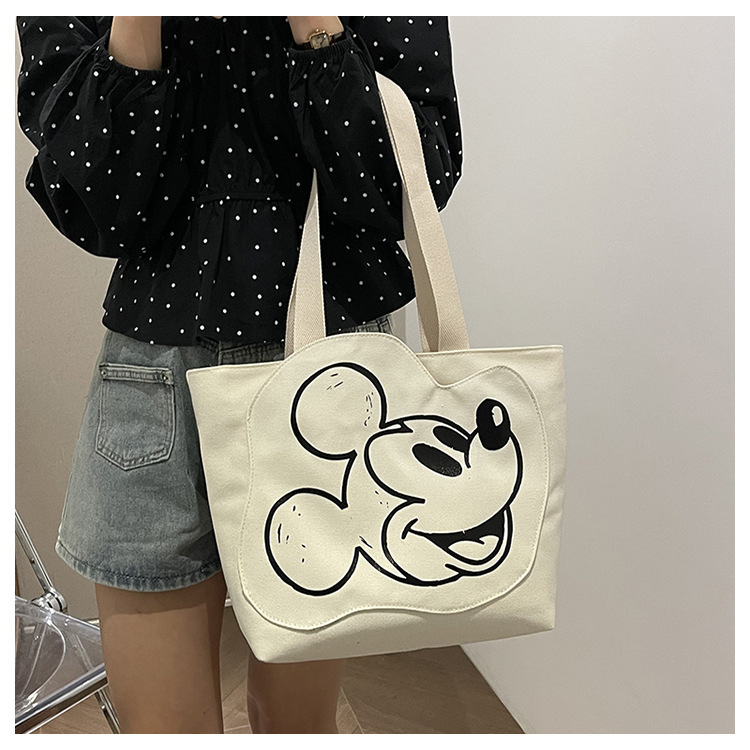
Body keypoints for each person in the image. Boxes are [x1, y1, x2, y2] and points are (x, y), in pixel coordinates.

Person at [16, 15, 463, 734]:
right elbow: (98, 207)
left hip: (329, 378)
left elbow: (408, 185)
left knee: (297, 728)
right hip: (154, 380)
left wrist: (314, 25)